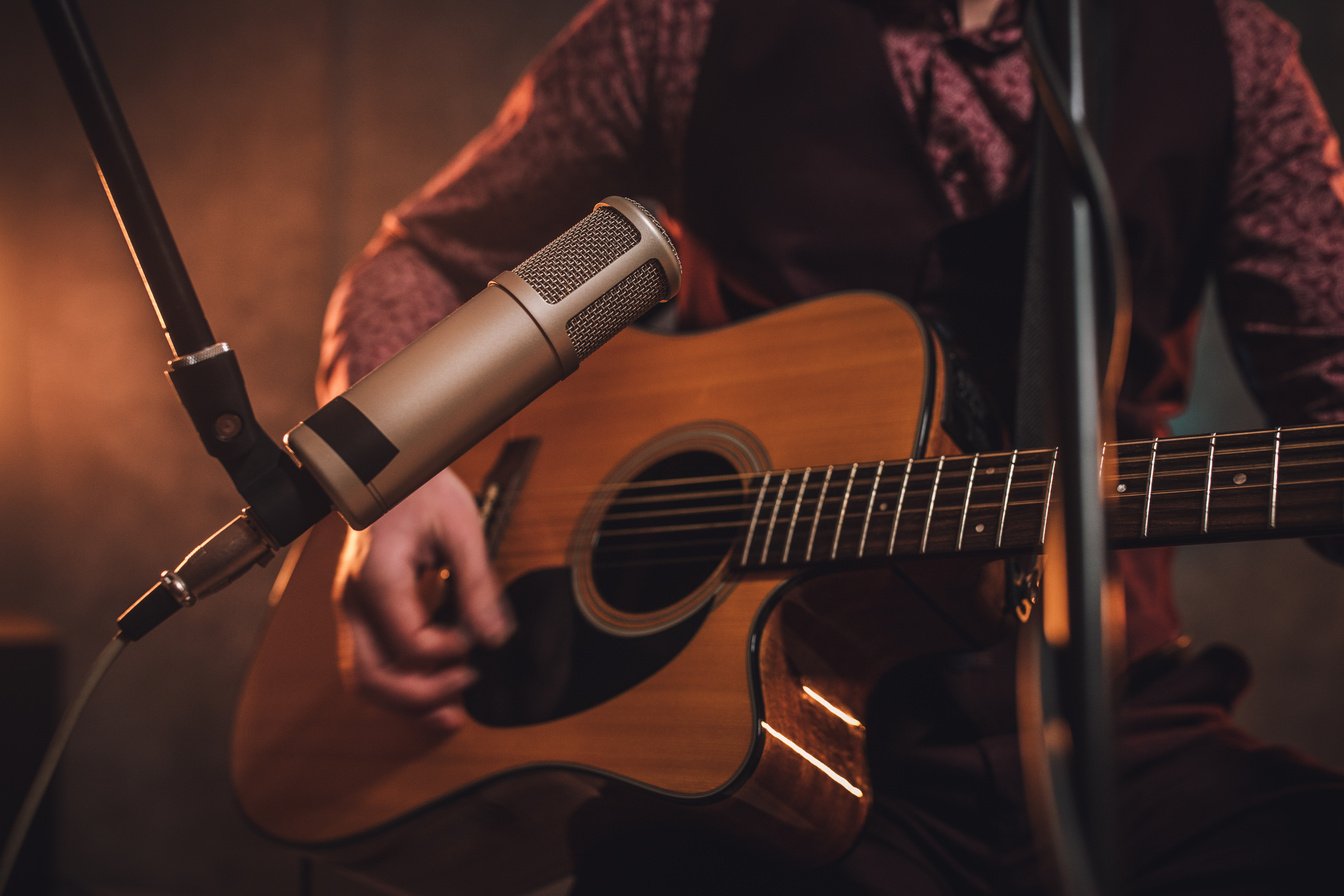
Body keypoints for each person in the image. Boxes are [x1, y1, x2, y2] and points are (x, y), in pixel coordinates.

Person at [315, 0, 1344, 891]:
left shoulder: (1228, 50)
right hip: (762, 755)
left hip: (1124, 735)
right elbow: (429, 256)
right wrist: (392, 467)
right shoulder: (687, 22)